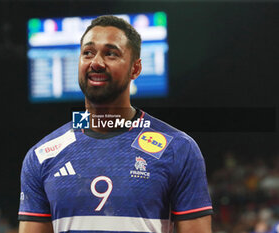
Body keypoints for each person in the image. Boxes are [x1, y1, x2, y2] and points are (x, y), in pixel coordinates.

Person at [18, 15, 213, 233]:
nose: (96, 62)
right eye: (88, 53)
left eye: (111, 54)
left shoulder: (178, 149)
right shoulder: (42, 155)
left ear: (135, 69)